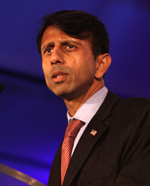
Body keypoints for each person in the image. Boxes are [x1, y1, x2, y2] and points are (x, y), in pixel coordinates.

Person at [36, 10, 150, 186]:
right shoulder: (64, 150)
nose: (54, 58)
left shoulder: (138, 116)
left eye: (69, 46)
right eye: (48, 50)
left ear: (100, 64)